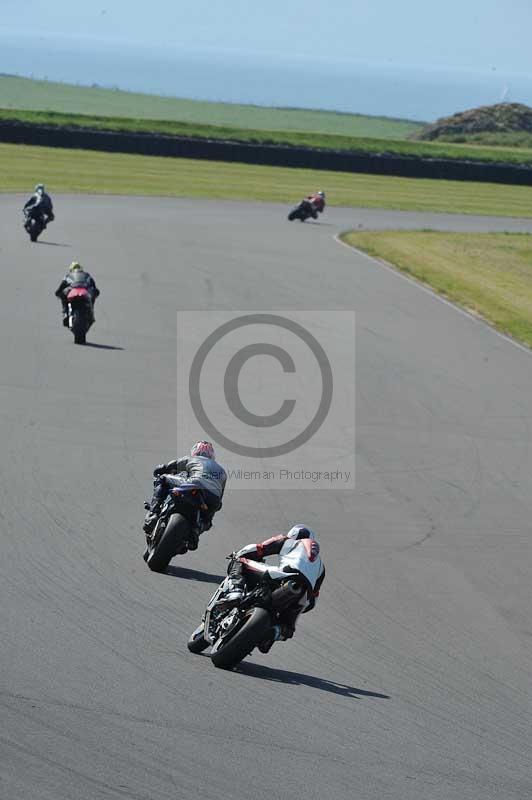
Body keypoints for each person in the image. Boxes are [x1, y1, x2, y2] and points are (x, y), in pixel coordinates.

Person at [224, 524, 325, 652]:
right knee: (287, 628)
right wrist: (296, 607)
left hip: (283, 574)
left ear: (293, 535)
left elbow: (259, 548)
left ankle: (236, 592)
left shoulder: (288, 541)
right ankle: (272, 634)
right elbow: (312, 601)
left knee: (239, 561)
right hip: (303, 594)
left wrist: (238, 554)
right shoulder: (321, 567)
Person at [143, 441, 227, 548]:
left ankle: (153, 514)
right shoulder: (222, 472)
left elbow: (169, 466)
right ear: (212, 455)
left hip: (193, 484)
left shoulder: (192, 459)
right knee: (207, 521)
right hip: (213, 498)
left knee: (162, 478)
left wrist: (160, 469)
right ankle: (195, 532)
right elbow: (220, 498)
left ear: (195, 451)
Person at [54, 262, 100, 327]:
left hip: (73, 291)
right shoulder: (87, 275)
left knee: (63, 296)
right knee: (93, 295)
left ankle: (65, 313)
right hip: (84, 292)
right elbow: (94, 287)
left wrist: (58, 293)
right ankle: (91, 312)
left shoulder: (67, 276)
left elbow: (61, 288)